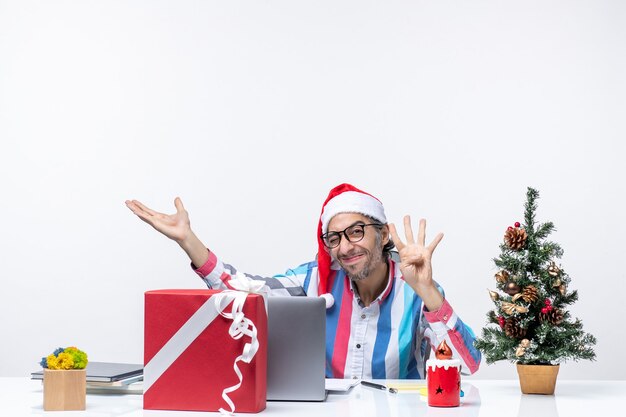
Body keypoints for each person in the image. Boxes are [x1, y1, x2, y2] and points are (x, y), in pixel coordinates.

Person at [126, 183, 481, 379]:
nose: (345, 247)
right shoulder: (313, 281)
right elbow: (242, 291)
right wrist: (188, 241)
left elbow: (467, 368)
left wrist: (429, 292)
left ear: (383, 233)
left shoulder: (417, 289)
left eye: (356, 231)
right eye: (334, 238)